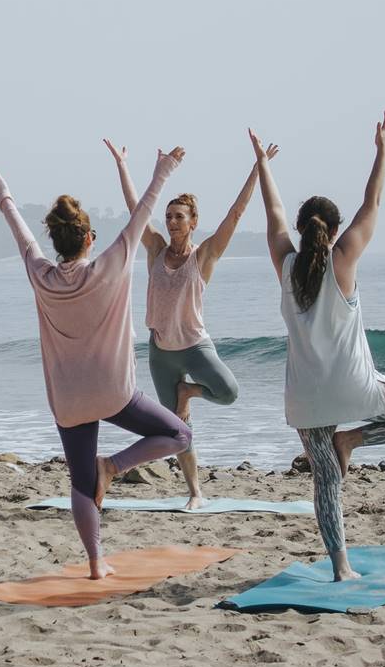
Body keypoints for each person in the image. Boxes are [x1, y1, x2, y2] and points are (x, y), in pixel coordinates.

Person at [250, 112, 385, 580]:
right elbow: (372, 201)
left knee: (326, 482)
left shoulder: (286, 265)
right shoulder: (344, 260)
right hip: (356, 388)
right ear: (334, 231)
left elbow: (272, 215)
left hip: (306, 399)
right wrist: (381, 151)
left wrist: (263, 165)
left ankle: (341, 568)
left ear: (301, 230)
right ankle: (353, 437)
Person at [0, 147, 192, 579]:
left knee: (80, 483)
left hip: (69, 400)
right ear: (90, 239)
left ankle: (96, 564)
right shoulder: (109, 267)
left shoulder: (40, 274)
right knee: (179, 434)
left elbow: (22, 236)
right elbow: (143, 216)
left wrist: (2, 194)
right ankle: (112, 466)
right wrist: (163, 171)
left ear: (57, 243)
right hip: (114, 392)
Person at [103, 138, 278, 509]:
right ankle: (195, 492)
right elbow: (137, 209)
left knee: (228, 392)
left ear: (193, 222)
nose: (171, 221)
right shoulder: (153, 249)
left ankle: (190, 392)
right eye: (168, 216)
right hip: (161, 353)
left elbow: (236, 213)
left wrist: (256, 168)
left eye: (179, 216)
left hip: (196, 348)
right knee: (179, 432)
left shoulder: (206, 255)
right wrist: (122, 164)